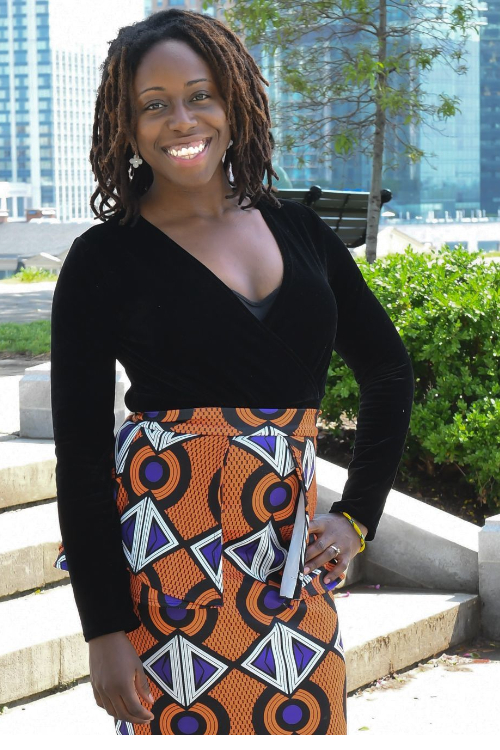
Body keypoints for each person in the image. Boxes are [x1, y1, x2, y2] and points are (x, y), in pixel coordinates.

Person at [51, 8, 414, 736]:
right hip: (169, 554)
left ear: (235, 99)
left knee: (301, 726)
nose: (181, 120)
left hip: (288, 556)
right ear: (126, 124)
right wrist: (104, 629)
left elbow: (389, 370)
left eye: (200, 95)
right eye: (153, 105)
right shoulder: (103, 260)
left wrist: (356, 519)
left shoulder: (301, 230)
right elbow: (82, 459)